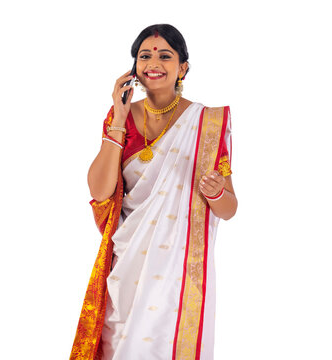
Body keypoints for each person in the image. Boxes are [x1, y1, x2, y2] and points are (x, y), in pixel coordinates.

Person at [70, 24, 238, 360]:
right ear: (134, 67)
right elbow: (100, 190)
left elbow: (229, 208)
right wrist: (118, 117)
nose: (153, 62)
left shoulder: (207, 122)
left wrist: (218, 192)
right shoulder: (121, 117)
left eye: (165, 55)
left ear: (183, 68)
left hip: (177, 268)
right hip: (127, 262)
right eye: (144, 56)